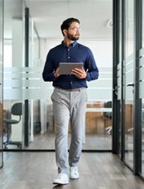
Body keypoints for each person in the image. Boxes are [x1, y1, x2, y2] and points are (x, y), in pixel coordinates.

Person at [42, 17, 99, 185]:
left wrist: (86, 75)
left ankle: (74, 165)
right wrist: (56, 74)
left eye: (79, 28)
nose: (78, 32)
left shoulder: (86, 51)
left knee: (78, 133)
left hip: (80, 94)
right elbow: (45, 75)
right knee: (60, 133)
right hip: (60, 95)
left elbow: (95, 72)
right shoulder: (53, 52)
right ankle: (62, 171)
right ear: (65, 31)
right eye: (75, 29)